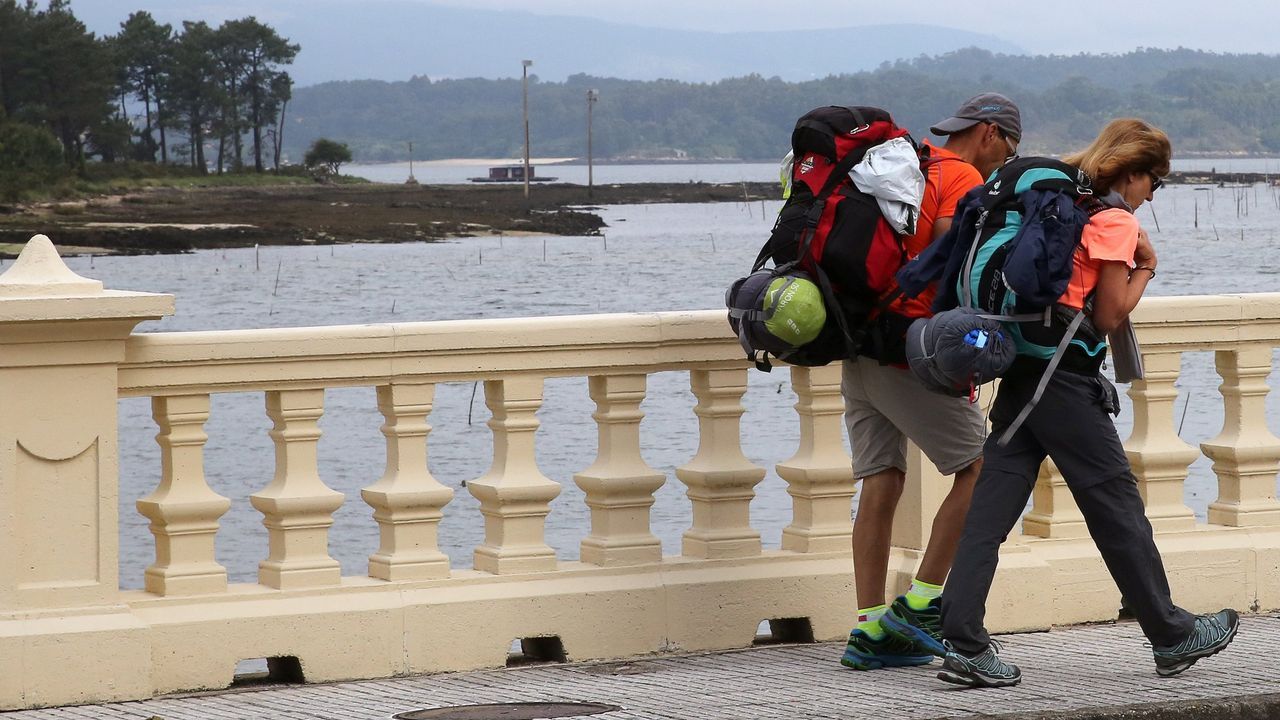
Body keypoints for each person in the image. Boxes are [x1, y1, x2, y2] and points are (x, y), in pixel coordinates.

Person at [936, 118, 1240, 688]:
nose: (1153, 194)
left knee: (992, 508)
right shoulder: (1111, 218)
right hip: (1061, 379)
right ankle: (1172, 634)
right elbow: (1108, 314)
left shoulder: (1067, 196)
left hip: (1024, 365)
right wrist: (1146, 265)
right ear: (1131, 172)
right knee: (1114, 503)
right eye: (1155, 181)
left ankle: (963, 639)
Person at [840, 93, 1023, 670]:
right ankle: (921, 604)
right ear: (990, 133)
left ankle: (871, 629)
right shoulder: (964, 175)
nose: (1003, 163)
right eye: (1008, 150)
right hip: (910, 350)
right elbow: (955, 263)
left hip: (857, 343)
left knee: (881, 478)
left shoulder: (901, 162)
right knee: (981, 469)